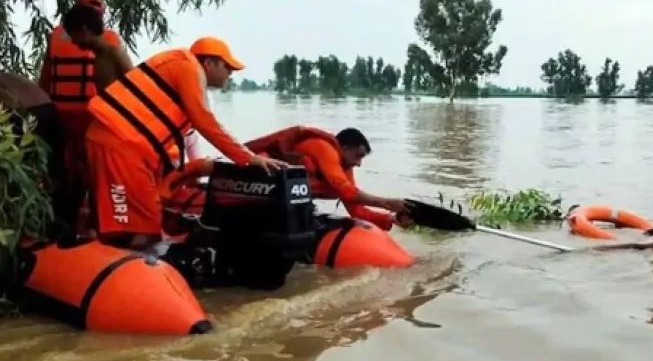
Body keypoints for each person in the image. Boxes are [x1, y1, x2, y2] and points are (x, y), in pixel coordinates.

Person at [64, 24, 289, 249]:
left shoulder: (183, 69)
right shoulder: (188, 67)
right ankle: (130, 272)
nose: (230, 73)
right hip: (118, 144)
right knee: (145, 230)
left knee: (122, 222)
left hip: (117, 142)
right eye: (227, 67)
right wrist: (249, 158)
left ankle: (104, 255)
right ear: (209, 63)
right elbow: (206, 123)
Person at [37, 0, 133, 228]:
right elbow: (131, 81)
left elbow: (45, 78)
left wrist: (41, 112)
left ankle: (63, 221)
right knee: (90, 173)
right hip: (92, 119)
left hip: (63, 115)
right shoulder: (110, 42)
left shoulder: (57, 37)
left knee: (64, 172)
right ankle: (92, 223)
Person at [243, 126, 411, 231]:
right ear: (343, 148)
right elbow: (346, 191)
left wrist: (391, 218)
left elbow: (356, 210)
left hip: (289, 204)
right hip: (261, 190)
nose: (358, 164)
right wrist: (387, 203)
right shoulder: (324, 148)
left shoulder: (344, 168)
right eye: (357, 156)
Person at [0, 72, 73, 234]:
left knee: (24, 179)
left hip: (22, 113)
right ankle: (58, 226)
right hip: (43, 107)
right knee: (52, 176)